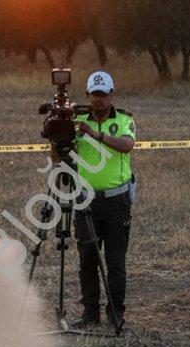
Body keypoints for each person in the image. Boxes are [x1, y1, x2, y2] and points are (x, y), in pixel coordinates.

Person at [68, 70, 136, 331]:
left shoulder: (124, 120)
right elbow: (58, 160)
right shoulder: (77, 121)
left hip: (117, 201)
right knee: (87, 260)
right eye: (93, 95)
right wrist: (58, 137)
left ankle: (116, 312)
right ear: (87, 95)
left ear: (111, 94)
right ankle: (90, 312)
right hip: (85, 201)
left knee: (115, 262)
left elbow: (126, 145)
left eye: (103, 94)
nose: (98, 100)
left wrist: (94, 135)